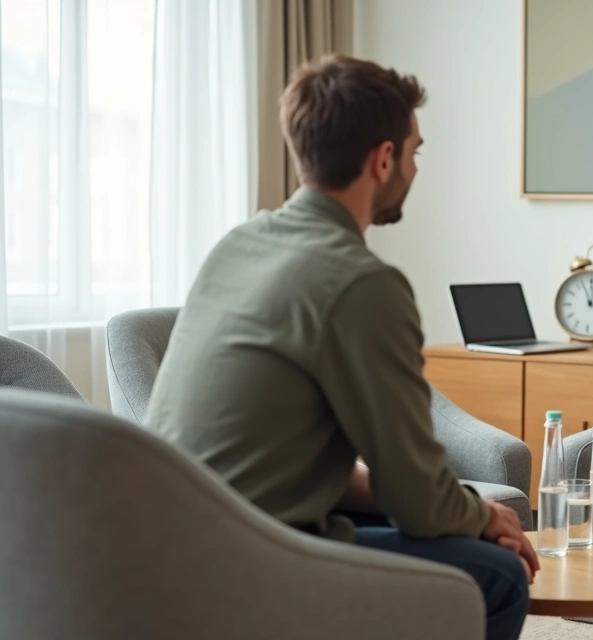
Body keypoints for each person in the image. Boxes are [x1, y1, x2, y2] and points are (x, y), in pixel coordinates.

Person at [144, 55, 535, 640]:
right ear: (383, 160)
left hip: (165, 541)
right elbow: (418, 501)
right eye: (414, 151)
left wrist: (470, 511)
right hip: (249, 562)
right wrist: (482, 513)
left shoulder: (240, 244)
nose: (415, 167)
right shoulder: (362, 283)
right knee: (498, 575)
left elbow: (286, 467)